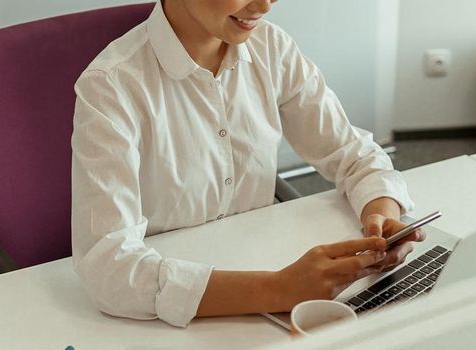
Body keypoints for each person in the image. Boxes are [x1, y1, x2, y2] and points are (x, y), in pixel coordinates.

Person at [70, 0, 424, 327]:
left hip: (262, 270)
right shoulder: (111, 85)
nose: (266, 4)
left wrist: (382, 211)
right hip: (166, 317)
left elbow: (353, 152)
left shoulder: (271, 48)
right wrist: (278, 290)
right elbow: (108, 267)